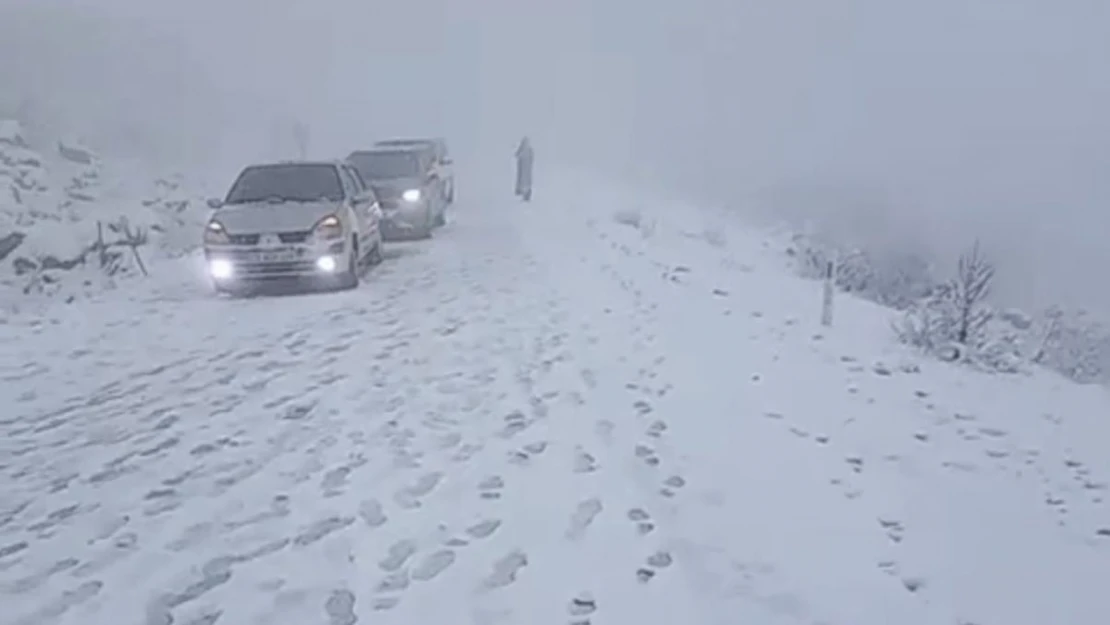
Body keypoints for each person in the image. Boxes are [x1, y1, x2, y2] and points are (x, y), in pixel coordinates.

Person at [514, 136, 534, 201]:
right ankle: (525, 193)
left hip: (524, 170)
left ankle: (523, 193)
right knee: (525, 181)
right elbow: (531, 159)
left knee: (523, 181)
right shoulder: (529, 150)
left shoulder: (523, 150)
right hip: (526, 170)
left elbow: (517, 155)